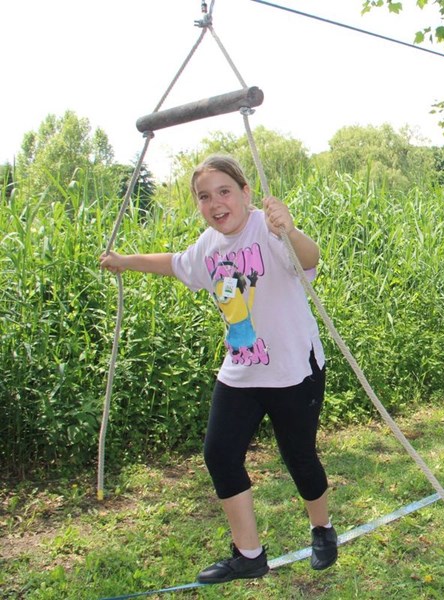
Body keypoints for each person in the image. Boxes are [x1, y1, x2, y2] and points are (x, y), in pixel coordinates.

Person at [100, 155, 338, 581]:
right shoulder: (208, 246)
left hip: (292, 369)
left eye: (224, 192)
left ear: (245, 193)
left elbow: (308, 259)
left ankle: (322, 528)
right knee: (219, 454)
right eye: (204, 196)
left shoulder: (267, 228)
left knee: (299, 456)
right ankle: (249, 555)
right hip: (242, 369)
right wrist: (124, 260)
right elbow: (175, 263)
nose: (215, 203)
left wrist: (289, 229)